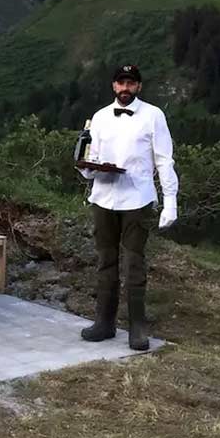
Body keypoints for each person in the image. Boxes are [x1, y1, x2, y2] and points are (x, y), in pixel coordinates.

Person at [77, 64, 179, 350]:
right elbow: (91, 157)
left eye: (130, 83)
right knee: (105, 261)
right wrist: (88, 168)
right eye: (121, 83)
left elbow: (164, 160)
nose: (125, 88)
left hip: (137, 198)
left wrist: (170, 201)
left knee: (134, 263)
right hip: (104, 197)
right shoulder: (99, 117)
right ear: (113, 86)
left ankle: (137, 327)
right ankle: (104, 322)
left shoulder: (153, 115)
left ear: (138, 86)